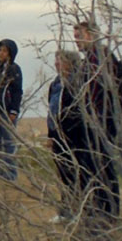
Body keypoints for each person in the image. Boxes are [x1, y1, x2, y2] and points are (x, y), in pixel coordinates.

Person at [74, 21, 120, 218]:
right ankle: (99, 210)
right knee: (91, 167)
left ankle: (108, 212)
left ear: (91, 35)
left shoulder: (102, 57)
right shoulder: (89, 59)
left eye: (79, 36)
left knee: (103, 166)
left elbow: (107, 90)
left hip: (104, 121)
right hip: (92, 121)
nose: (76, 41)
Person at [46, 50, 85, 222]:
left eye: (60, 60)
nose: (56, 63)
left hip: (73, 135)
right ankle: (65, 211)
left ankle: (79, 211)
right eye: (56, 60)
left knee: (75, 173)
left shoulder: (76, 82)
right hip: (57, 134)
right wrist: (51, 134)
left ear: (70, 63)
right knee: (63, 174)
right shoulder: (56, 83)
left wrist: (69, 132)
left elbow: (77, 111)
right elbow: (52, 109)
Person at [0, 38, 22, 181]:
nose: (1, 53)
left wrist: (14, 110)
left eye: (4, 50)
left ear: (10, 53)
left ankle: (10, 174)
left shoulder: (13, 69)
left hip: (7, 111)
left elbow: (17, 91)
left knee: (8, 142)